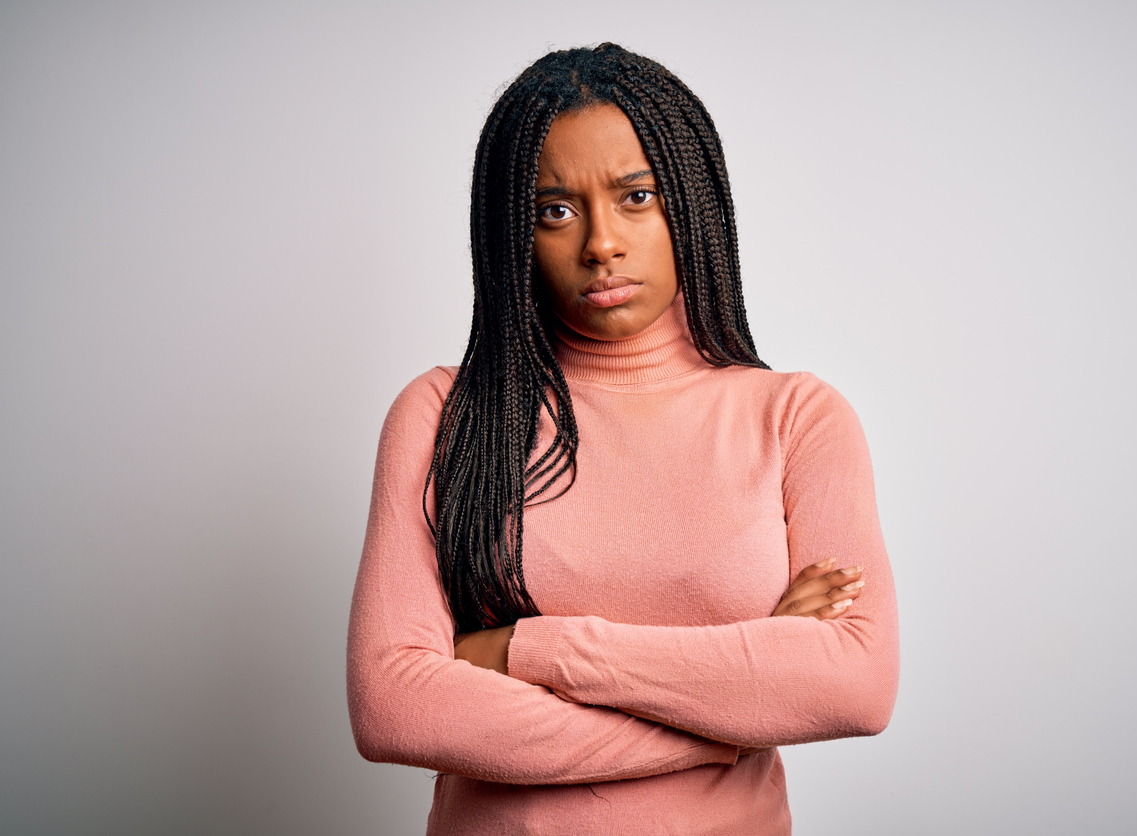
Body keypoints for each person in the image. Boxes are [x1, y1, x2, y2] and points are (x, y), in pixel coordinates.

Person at [347, 43, 898, 835]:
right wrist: (729, 714)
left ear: (690, 202)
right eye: (555, 211)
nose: (600, 242)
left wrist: (522, 652)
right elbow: (394, 707)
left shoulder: (797, 419)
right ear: (513, 234)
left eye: (636, 196)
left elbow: (855, 686)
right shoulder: (443, 415)